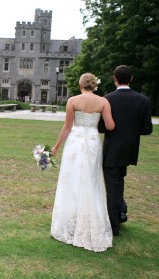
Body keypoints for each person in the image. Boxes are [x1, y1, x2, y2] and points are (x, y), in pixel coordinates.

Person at [50, 73, 115, 252]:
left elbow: (67, 127)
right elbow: (110, 126)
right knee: (91, 181)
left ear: (80, 84)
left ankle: (71, 220)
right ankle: (90, 222)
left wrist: (55, 148)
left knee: (72, 179)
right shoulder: (103, 102)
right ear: (94, 85)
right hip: (93, 141)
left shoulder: (73, 100)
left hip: (75, 142)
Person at [98, 65, 153, 236]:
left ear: (115, 78)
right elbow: (147, 129)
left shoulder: (107, 99)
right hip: (129, 149)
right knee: (119, 181)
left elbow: (101, 127)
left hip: (113, 149)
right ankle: (121, 211)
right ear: (131, 78)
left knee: (113, 186)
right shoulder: (143, 101)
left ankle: (114, 226)